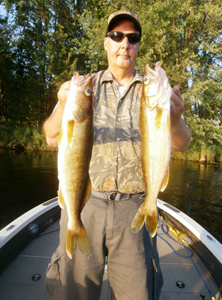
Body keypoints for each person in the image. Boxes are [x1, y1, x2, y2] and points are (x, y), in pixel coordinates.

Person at [43, 9, 192, 300]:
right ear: (106, 43)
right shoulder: (86, 87)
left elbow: (183, 143)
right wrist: (62, 104)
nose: (125, 43)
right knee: (74, 293)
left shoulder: (152, 90)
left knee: (137, 294)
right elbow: (50, 137)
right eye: (117, 35)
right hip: (86, 203)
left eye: (132, 37)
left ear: (137, 45)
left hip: (134, 209)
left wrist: (175, 119)